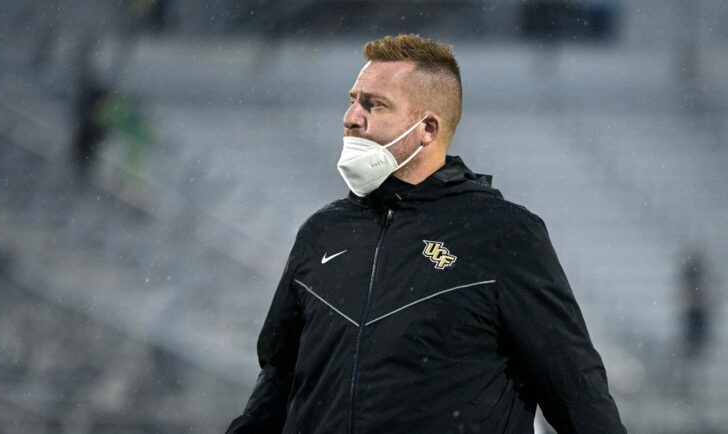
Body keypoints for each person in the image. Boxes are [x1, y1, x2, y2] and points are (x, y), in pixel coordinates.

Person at [227, 34, 625, 433]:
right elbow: (279, 379)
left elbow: (578, 394)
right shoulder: (321, 232)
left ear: (427, 128)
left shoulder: (502, 234)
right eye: (352, 99)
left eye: (374, 104)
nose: (351, 117)